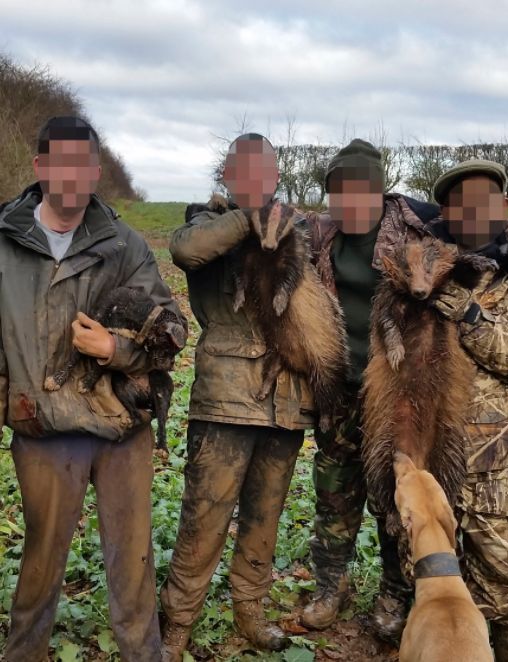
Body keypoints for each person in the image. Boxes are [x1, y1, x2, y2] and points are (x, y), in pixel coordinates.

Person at [1, 115, 187, 662]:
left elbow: (171, 330)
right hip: (43, 426)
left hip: (119, 425)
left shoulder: (123, 243)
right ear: (40, 168)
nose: (73, 175)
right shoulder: (7, 241)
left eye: (83, 164)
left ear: (96, 171)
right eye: (61, 162)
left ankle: (141, 655)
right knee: (38, 565)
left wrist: (116, 350)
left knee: (132, 566)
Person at [160, 133, 314, 661]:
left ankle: (250, 610)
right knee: (203, 519)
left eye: (264, 171)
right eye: (243, 170)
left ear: (275, 175)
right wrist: (252, 216)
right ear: (226, 175)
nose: (256, 180)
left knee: (264, 519)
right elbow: (184, 251)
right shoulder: (206, 223)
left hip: (286, 402)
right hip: (225, 399)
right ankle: (177, 624)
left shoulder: (298, 231)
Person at [300, 139, 441, 637]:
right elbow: (257, 220)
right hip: (340, 389)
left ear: (380, 191)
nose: (351, 201)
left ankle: (395, 592)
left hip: (395, 394)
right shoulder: (319, 233)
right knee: (334, 492)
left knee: (393, 496)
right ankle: (330, 585)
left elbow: (481, 227)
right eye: (341, 190)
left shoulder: (418, 230)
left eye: (362, 190)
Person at [430, 160, 508, 662]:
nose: (472, 212)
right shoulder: (426, 265)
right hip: (434, 455)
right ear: (446, 211)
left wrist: (469, 314)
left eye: (483, 202)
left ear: (502, 207)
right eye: (461, 203)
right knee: (432, 574)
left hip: (497, 459)